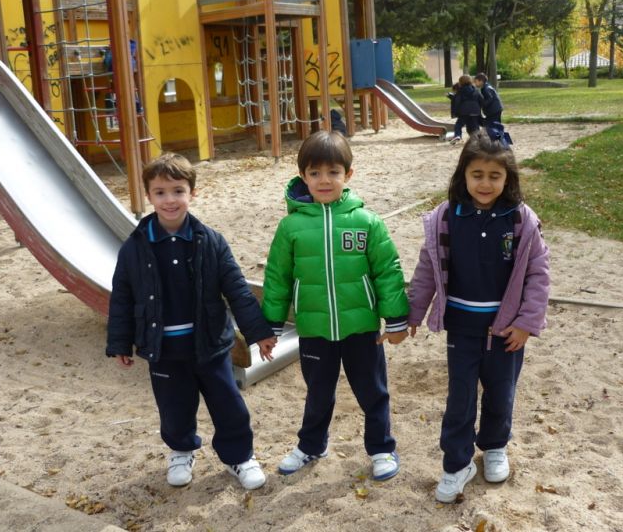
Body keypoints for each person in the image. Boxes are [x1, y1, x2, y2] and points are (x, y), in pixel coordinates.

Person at [106, 153, 277, 491]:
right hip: (164, 348)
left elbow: (237, 290)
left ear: (192, 193)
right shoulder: (134, 248)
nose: (169, 200)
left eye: (178, 191)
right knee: (174, 408)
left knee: (228, 404)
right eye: (160, 192)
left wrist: (259, 333)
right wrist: (120, 342)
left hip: (209, 344)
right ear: (148, 196)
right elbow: (122, 296)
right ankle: (182, 451)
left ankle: (239, 457)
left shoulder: (211, 241)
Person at [406, 130, 550, 503]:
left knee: (501, 392)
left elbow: (538, 274)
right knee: (460, 398)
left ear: (508, 178)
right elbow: (427, 268)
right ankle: (457, 464)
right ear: (463, 175)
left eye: (494, 176)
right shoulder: (446, 217)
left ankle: (495, 446)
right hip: (462, 328)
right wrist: (414, 311)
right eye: (477, 175)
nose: (485, 184)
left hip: (507, 330)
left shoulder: (520, 220)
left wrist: (526, 323)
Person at [262, 130, 410, 482]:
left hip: (361, 328)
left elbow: (387, 271)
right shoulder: (291, 227)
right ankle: (312, 445)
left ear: (348, 174)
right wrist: (270, 326)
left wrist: (396, 319)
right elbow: (277, 278)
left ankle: (381, 449)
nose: (324, 180)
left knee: (372, 391)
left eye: (333, 172)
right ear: (303, 177)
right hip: (314, 329)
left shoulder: (366, 222)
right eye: (315, 173)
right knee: (318, 393)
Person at [451, 75, 483, 144]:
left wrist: (456, 111)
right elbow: (481, 100)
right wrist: (479, 109)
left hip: (464, 112)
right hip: (475, 111)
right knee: (475, 126)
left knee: (458, 125)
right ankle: (478, 139)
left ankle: (458, 135)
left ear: (460, 82)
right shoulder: (476, 90)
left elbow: (457, 101)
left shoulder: (460, 91)